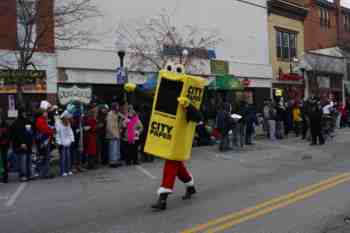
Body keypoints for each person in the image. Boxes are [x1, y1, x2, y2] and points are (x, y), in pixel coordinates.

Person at [11, 111, 34, 182]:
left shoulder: (27, 121)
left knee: (29, 159)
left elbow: (30, 130)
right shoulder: (17, 122)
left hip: (28, 143)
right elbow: (17, 134)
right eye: (23, 112)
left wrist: (31, 131)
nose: (24, 114)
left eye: (25, 112)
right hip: (21, 144)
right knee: (23, 161)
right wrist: (22, 143)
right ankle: (23, 175)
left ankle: (29, 174)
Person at [35, 108, 55, 179]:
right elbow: (44, 130)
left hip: (45, 140)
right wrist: (52, 131)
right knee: (46, 157)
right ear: (42, 113)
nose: (46, 114)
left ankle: (44, 172)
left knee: (45, 157)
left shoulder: (42, 120)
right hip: (44, 141)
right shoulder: (40, 120)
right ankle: (46, 173)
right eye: (45, 113)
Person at [56, 111, 75, 176]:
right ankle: (63, 171)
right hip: (62, 143)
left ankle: (68, 170)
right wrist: (59, 142)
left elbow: (70, 132)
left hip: (68, 143)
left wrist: (72, 140)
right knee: (63, 158)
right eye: (67, 118)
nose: (68, 119)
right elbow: (57, 134)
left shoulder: (68, 124)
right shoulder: (58, 124)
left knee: (68, 157)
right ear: (64, 118)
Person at [106, 102, 122, 168]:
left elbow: (121, 117)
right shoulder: (110, 114)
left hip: (117, 133)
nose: (118, 107)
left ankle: (116, 161)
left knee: (116, 148)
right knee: (113, 148)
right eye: (117, 106)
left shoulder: (116, 113)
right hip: (112, 134)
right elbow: (109, 126)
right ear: (114, 107)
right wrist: (114, 134)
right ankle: (112, 162)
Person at [84, 104, 98, 169]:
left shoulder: (90, 118)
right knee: (91, 151)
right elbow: (93, 127)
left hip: (91, 136)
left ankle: (91, 164)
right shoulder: (90, 119)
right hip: (90, 136)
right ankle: (91, 164)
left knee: (91, 151)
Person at [0, 109, 10, 183]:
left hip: (3, 145)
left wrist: (5, 141)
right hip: (3, 144)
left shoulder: (5, 124)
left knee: (4, 160)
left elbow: (8, 135)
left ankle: (5, 176)